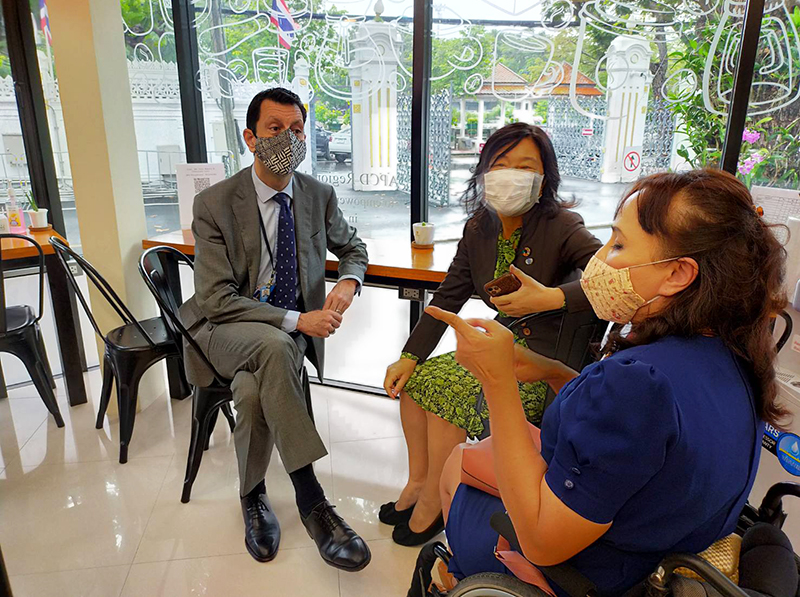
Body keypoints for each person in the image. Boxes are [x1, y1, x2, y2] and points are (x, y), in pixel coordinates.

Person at [430, 168, 788, 596]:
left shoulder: (640, 382)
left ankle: (458, 572)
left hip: (597, 574)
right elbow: (639, 437)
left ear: (677, 273)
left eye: (618, 244)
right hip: (667, 540)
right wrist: (552, 371)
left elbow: (543, 541)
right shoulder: (734, 353)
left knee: (457, 462)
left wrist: (497, 380)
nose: (602, 259)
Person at [381, 123, 602, 546]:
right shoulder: (479, 228)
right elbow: (448, 296)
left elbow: (607, 277)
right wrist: (410, 354)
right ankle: (418, 481)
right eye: (501, 164)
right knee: (415, 382)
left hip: (542, 359)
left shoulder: (562, 225)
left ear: (544, 179)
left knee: (452, 393)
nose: (510, 175)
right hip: (499, 342)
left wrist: (553, 298)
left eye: (526, 166)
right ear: (483, 172)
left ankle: (433, 504)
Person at [179, 88, 371, 571]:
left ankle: (254, 498)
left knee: (251, 388)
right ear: (250, 137)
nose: (289, 138)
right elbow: (217, 300)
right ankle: (312, 500)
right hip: (221, 329)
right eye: (275, 128)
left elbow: (354, 248)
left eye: (297, 129)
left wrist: (348, 282)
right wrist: (298, 320)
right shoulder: (214, 203)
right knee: (274, 342)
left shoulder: (317, 195)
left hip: (275, 344)